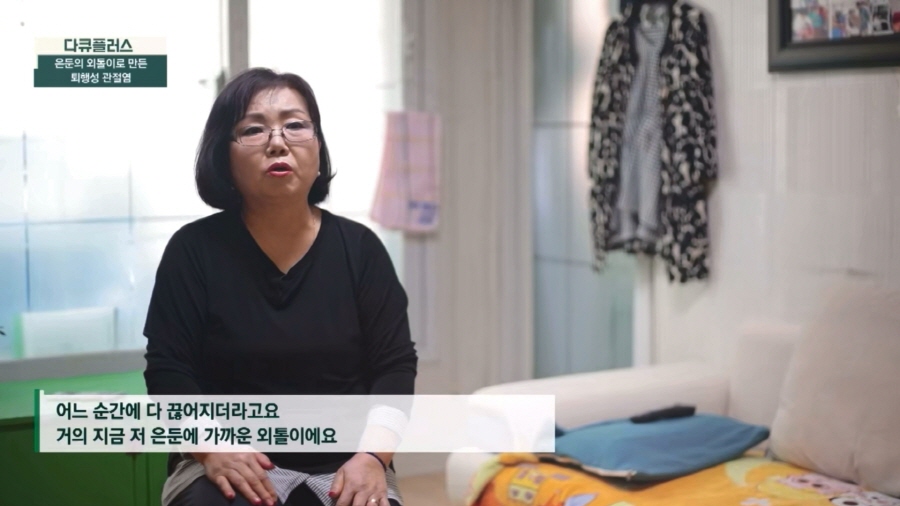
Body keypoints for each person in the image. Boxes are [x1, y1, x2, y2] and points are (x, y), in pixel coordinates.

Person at [143, 67, 417, 506]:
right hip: (228, 456)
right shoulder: (193, 250)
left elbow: (395, 366)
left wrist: (372, 457)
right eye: (253, 129)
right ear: (223, 156)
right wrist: (212, 448)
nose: (277, 142)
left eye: (295, 125)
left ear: (318, 146)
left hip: (347, 461)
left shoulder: (361, 249)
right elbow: (168, 369)